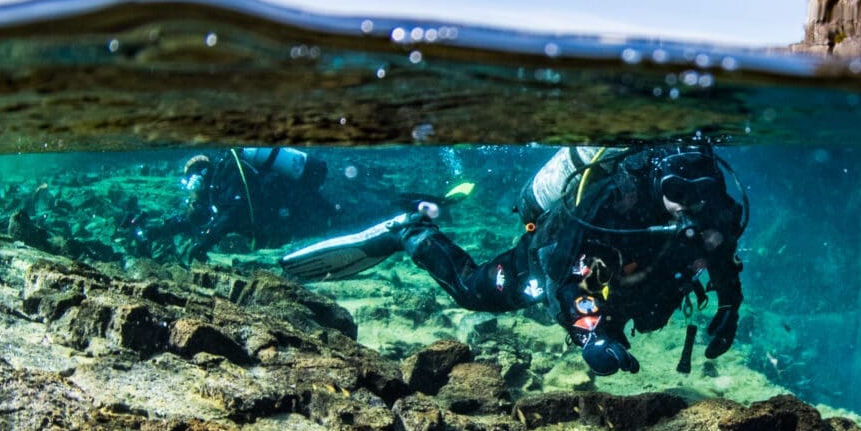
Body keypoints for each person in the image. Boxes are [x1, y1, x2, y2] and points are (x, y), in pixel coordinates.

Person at [281, 138, 745, 377]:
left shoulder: (717, 211)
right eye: (677, 193)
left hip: (626, 283)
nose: (690, 206)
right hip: (549, 257)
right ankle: (413, 232)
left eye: (700, 194)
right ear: (656, 183)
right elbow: (572, 280)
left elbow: (721, 255)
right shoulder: (614, 204)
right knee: (471, 292)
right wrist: (591, 335)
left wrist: (728, 306)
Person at [136, 147, 337, 262]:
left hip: (291, 208)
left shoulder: (229, 175)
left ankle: (339, 226)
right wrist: (156, 231)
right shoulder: (217, 192)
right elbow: (197, 221)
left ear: (202, 175)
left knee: (329, 222)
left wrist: (205, 242)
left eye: (194, 180)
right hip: (284, 214)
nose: (193, 188)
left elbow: (233, 213)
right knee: (322, 223)